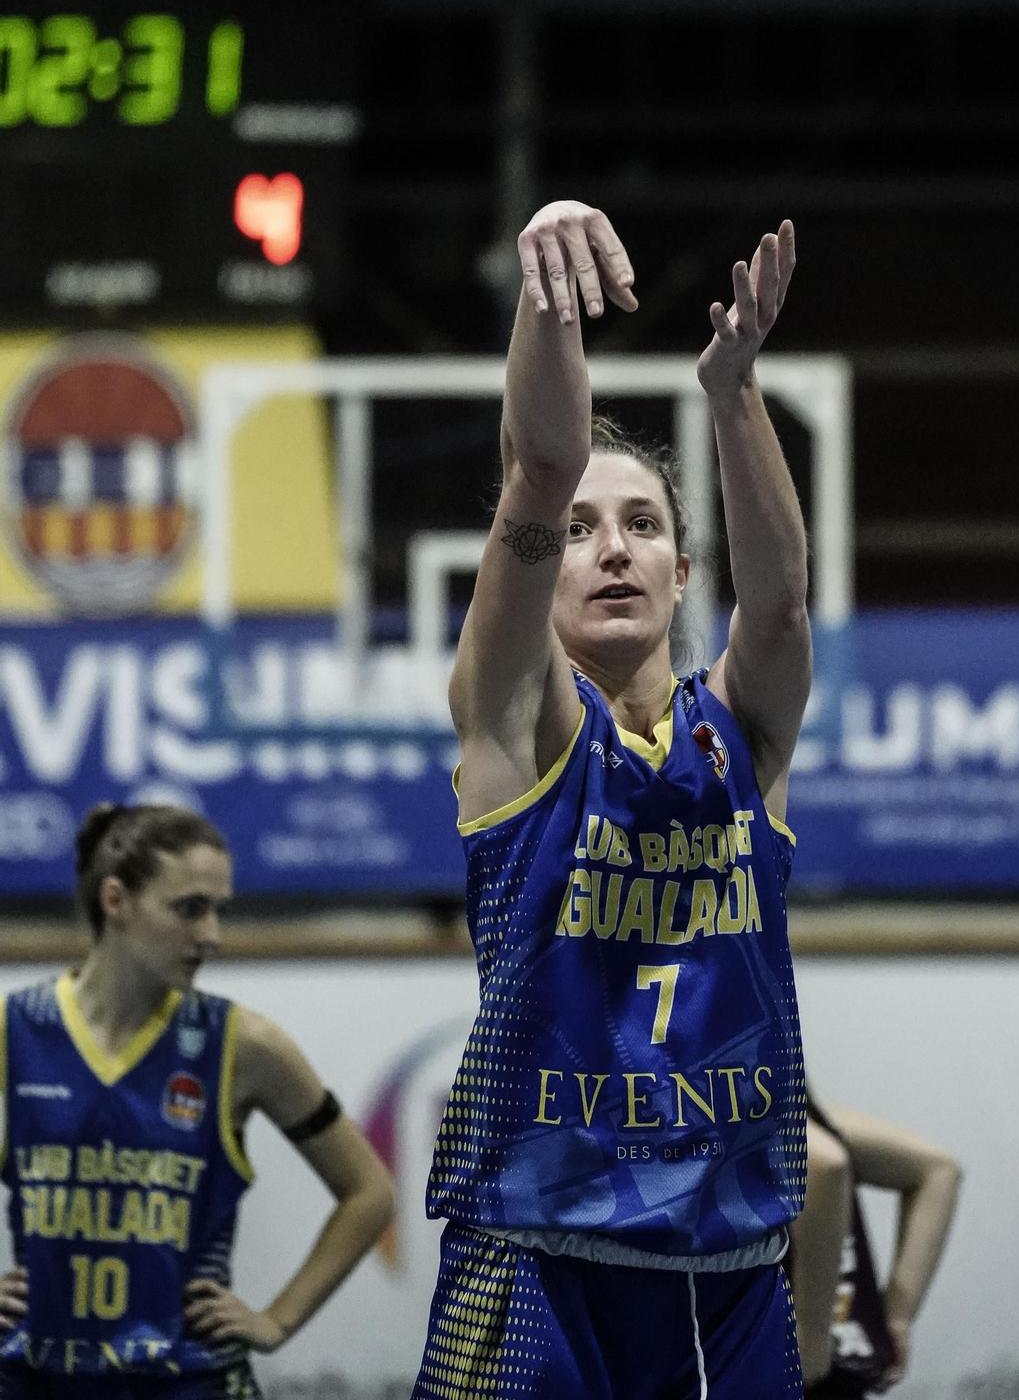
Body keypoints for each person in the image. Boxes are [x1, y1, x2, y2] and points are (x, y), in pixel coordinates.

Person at [414, 199, 812, 1400]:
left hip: (729, 1251)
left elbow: (783, 606)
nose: (613, 547)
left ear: (684, 569)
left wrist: (734, 389)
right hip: (537, 1246)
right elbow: (537, 466)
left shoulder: (737, 730)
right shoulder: (518, 717)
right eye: (582, 531)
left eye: (642, 523)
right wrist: (547, 293)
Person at [0, 802, 394, 1398]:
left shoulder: (247, 1045)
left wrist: (276, 1320)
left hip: (188, 1379)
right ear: (116, 901)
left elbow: (369, 1192)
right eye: (189, 909)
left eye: (217, 910)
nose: (211, 934)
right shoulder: (17, 1030)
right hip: (37, 1377)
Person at [788, 1096, 962, 1397]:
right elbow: (939, 1170)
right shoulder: (821, 1122)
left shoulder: (755, 1127)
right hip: (835, 1359)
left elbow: (824, 1163)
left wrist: (811, 1340)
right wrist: (897, 1319)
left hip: (791, 1372)